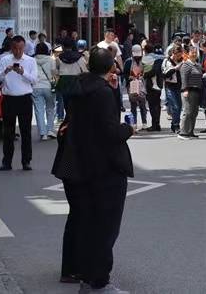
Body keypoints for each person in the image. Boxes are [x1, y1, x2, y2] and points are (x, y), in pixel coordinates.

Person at [52, 47, 134, 292]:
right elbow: (109, 132)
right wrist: (128, 130)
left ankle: (73, 268)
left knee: (80, 217)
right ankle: (96, 279)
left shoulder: (74, 85)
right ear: (111, 67)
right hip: (101, 165)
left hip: (73, 160)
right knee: (104, 224)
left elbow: (61, 89)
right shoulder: (104, 93)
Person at [0, 35, 38, 171]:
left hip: (24, 98)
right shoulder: (5, 60)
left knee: (26, 132)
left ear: (24, 48)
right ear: (11, 48)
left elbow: (34, 80)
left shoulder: (31, 61)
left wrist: (23, 72)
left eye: (20, 48)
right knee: (8, 132)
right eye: (15, 48)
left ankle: (26, 161)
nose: (17, 51)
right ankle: (7, 162)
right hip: (9, 99)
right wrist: (5, 71)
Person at [56, 39, 88, 120]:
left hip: (64, 82)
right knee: (76, 104)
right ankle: (75, 120)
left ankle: (68, 119)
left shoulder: (59, 58)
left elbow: (55, 71)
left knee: (66, 104)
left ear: (63, 47)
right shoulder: (79, 57)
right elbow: (84, 70)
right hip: (76, 82)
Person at [33, 42, 57, 141]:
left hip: (36, 87)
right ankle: (50, 129)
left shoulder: (32, 60)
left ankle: (43, 133)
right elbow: (53, 73)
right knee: (50, 108)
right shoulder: (51, 60)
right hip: (49, 86)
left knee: (39, 110)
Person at [178, 46, 203, 139]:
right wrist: (185, 89)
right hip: (188, 91)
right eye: (192, 52)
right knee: (187, 111)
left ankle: (190, 131)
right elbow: (184, 78)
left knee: (194, 112)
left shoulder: (198, 65)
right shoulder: (186, 65)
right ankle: (183, 132)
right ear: (188, 54)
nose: (194, 54)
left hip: (197, 91)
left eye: (195, 52)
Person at [122, 44, 148, 130]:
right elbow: (125, 73)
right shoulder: (128, 62)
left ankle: (144, 123)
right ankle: (134, 123)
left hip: (141, 84)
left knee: (142, 104)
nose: (138, 57)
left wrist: (142, 76)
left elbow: (147, 72)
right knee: (133, 104)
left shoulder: (143, 61)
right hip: (132, 84)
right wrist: (130, 77)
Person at [142, 43, 165, 132]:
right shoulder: (161, 57)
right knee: (157, 105)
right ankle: (157, 124)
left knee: (152, 105)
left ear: (145, 50)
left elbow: (148, 72)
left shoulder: (146, 58)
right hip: (159, 83)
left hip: (150, 84)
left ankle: (154, 125)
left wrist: (144, 75)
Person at [162, 46, 184, 133]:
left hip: (179, 86)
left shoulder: (182, 60)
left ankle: (174, 124)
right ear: (173, 54)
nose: (179, 57)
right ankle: (176, 125)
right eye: (178, 55)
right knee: (175, 106)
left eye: (180, 55)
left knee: (179, 107)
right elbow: (164, 74)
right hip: (169, 86)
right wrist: (174, 69)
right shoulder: (166, 61)